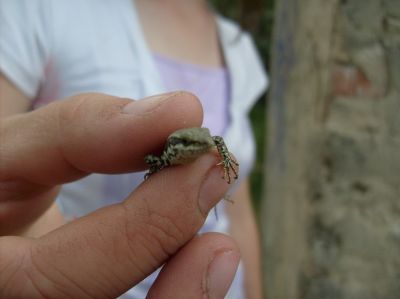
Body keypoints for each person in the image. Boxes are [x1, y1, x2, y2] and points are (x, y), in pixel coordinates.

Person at [0, 0, 268, 298]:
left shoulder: (236, 43)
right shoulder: (40, 9)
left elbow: (240, 213)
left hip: (222, 282)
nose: (205, 145)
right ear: (179, 145)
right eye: (192, 143)